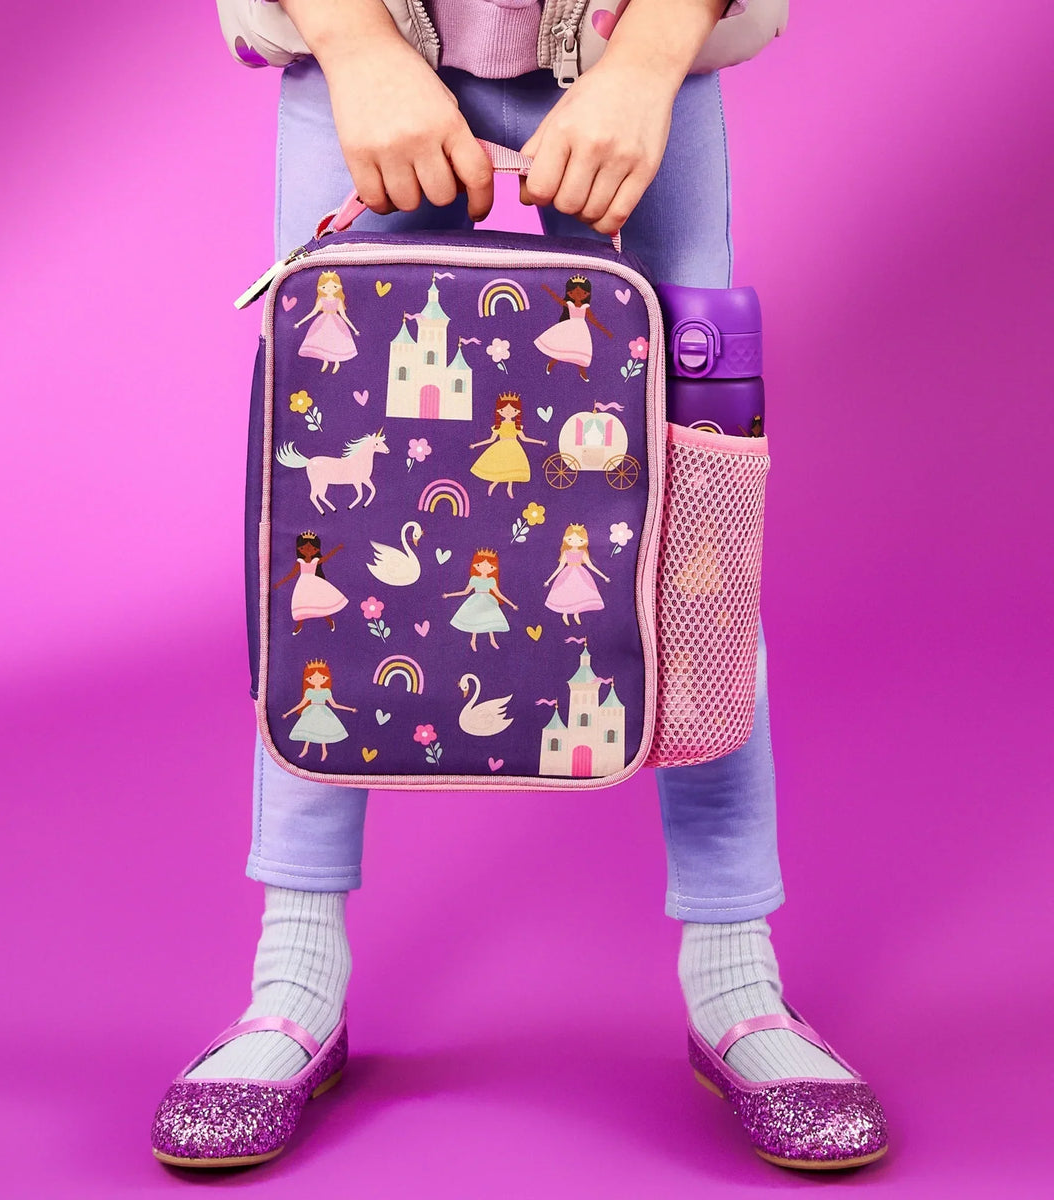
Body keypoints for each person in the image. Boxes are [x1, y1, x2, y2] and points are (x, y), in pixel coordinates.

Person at [151, 0, 888, 1173]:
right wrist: (353, 44)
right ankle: (292, 981)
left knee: (693, 528)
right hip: (363, 57)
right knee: (326, 543)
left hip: (638, 67)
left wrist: (650, 57)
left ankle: (737, 977)